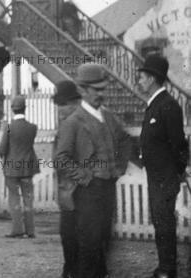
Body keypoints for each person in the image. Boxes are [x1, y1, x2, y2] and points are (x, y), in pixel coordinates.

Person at [55, 63, 132, 278]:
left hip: (107, 189)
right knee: (88, 246)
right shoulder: (73, 122)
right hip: (87, 193)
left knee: (103, 243)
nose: (101, 94)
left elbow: (125, 141)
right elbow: (61, 158)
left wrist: (119, 168)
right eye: (96, 90)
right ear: (82, 90)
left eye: (103, 89)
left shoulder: (108, 117)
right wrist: (85, 176)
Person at [137, 55, 189, 278]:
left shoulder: (168, 106)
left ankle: (168, 270)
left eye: (141, 77)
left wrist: (176, 173)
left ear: (151, 79)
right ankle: (164, 266)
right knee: (160, 223)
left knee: (165, 223)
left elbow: (179, 145)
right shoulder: (155, 106)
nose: (139, 81)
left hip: (165, 178)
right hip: (156, 177)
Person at [52, 80, 82, 278]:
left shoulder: (79, 124)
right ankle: (70, 268)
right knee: (67, 236)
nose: (59, 109)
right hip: (66, 192)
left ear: (74, 103)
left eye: (63, 105)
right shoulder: (65, 125)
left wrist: (80, 176)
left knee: (75, 237)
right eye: (58, 104)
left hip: (78, 192)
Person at [0, 95, 39, 238]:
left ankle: (17, 230)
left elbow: (2, 149)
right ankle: (30, 230)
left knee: (14, 198)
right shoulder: (33, 128)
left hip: (12, 168)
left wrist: (2, 154)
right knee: (28, 198)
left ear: (12, 110)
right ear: (25, 108)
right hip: (28, 167)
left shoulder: (9, 127)